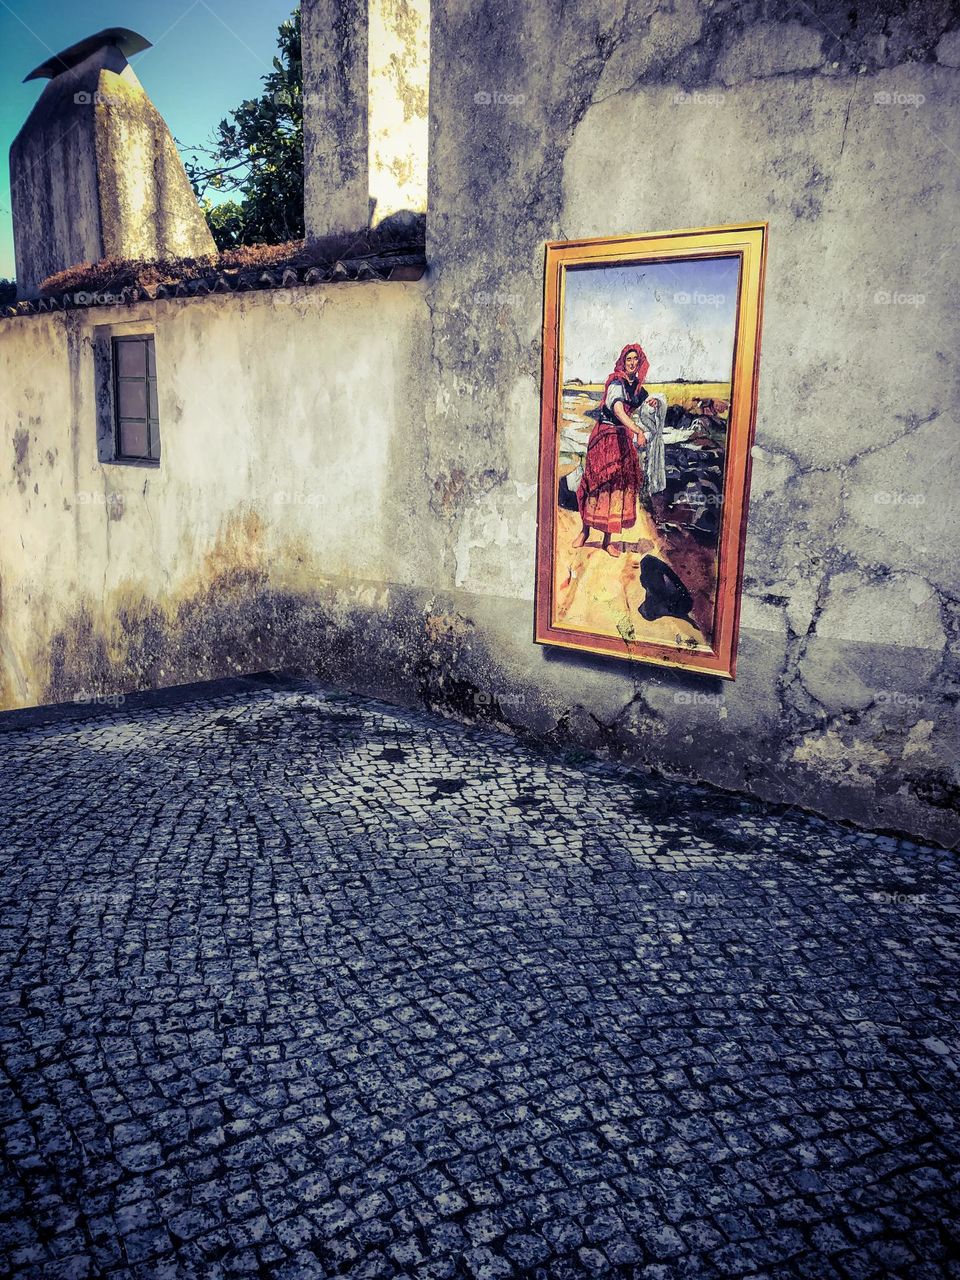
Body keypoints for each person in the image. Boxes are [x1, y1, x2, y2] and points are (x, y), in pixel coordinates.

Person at [574, 343, 649, 556]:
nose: (632, 363)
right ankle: (585, 531)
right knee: (595, 483)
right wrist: (637, 430)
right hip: (605, 437)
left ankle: (608, 541)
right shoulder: (616, 382)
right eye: (628, 359)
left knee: (618, 488)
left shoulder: (638, 389)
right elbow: (617, 410)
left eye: (636, 359)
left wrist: (651, 403)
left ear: (640, 362)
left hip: (622, 440)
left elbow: (638, 407)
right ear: (623, 362)